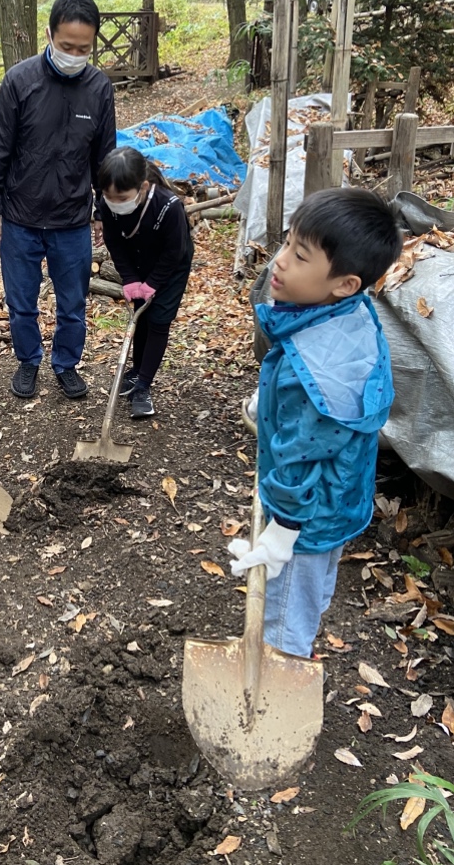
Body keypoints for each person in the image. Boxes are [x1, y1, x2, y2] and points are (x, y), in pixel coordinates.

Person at [228, 188, 402, 659]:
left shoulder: (313, 376)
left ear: (344, 282)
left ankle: (277, 682)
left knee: (284, 620)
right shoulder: (351, 313)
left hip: (307, 516)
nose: (280, 261)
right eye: (287, 242)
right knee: (308, 596)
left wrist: (282, 531)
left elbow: (300, 460)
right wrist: (269, 399)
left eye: (300, 255)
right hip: (339, 498)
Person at [0, 0, 116, 400]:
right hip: (21, 216)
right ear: (50, 35)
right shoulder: (20, 81)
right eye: (67, 46)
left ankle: (66, 364)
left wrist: (103, 211)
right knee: (21, 302)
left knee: (73, 304)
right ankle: (28, 360)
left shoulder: (99, 88)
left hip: (72, 219)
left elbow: (104, 157)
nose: (75, 55)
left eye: (84, 49)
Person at [98, 147, 194, 419]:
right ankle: (136, 370)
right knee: (140, 316)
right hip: (136, 260)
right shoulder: (106, 204)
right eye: (108, 196)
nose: (114, 203)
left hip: (170, 266)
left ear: (143, 187)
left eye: (121, 198)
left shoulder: (168, 206)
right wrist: (130, 279)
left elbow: (174, 251)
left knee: (159, 319)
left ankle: (143, 386)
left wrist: (153, 283)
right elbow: (114, 242)